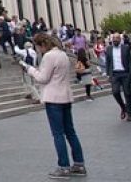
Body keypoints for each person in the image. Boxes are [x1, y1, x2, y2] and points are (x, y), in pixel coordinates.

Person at [21, 33, 86, 179]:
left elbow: (43, 78)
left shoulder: (49, 56)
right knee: (70, 132)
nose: (39, 51)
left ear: (42, 45)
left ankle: (63, 166)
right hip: (65, 96)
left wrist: (29, 69)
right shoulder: (62, 54)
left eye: (38, 47)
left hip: (53, 97)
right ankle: (79, 163)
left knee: (58, 134)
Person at [105, 32, 131, 121]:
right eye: (114, 38)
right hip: (115, 74)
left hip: (125, 73)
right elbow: (108, 62)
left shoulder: (126, 48)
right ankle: (123, 107)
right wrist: (108, 74)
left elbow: (130, 61)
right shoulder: (109, 49)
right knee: (115, 92)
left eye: (117, 38)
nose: (115, 40)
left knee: (127, 93)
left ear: (120, 39)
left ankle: (129, 113)